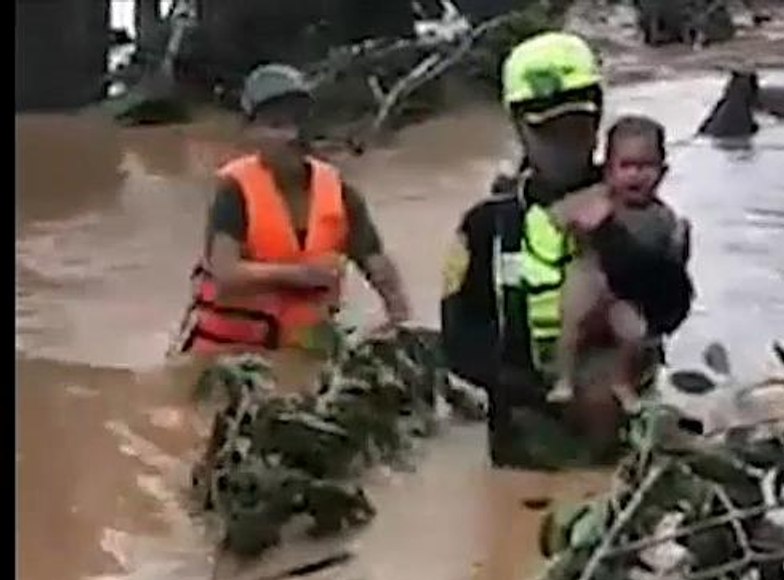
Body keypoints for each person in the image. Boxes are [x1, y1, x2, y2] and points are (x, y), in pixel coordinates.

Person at [439, 32, 692, 470]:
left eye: (577, 127)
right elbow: (459, 340)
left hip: (622, 437)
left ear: (596, 124)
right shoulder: (488, 224)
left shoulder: (643, 213)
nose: (564, 143)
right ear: (519, 127)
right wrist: (525, 387)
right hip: (526, 443)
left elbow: (670, 308)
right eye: (547, 131)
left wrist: (610, 236)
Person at [173, 63, 411, 355]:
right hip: (230, 355)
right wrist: (299, 276)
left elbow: (378, 266)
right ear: (251, 133)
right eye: (275, 125)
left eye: (297, 123)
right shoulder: (234, 191)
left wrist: (397, 317)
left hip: (305, 349)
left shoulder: (340, 193)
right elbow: (225, 272)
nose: (290, 136)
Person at [547, 115, 694, 409]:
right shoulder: (597, 198)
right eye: (626, 166)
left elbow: (665, 271)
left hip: (624, 296)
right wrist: (578, 219)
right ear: (608, 171)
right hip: (589, 279)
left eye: (646, 166)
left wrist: (679, 245)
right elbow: (554, 216)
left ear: (662, 172)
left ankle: (622, 382)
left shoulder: (662, 217)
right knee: (572, 322)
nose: (635, 175)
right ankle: (563, 379)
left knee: (634, 333)